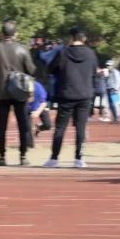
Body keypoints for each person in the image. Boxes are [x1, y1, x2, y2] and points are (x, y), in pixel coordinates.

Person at [46, 27, 98, 168]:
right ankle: (79, 159)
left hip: (67, 94)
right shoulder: (91, 54)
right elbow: (94, 73)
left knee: (60, 128)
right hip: (85, 95)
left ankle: (54, 158)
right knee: (81, 128)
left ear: (71, 38)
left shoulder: (63, 53)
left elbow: (50, 69)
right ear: (84, 39)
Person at [0, 20, 36, 166]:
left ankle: (2, 156)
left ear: (2, 34)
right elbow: (32, 70)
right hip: (19, 91)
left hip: (2, 91)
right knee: (23, 123)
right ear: (16, 34)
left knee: (2, 125)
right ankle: (23, 156)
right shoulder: (22, 49)